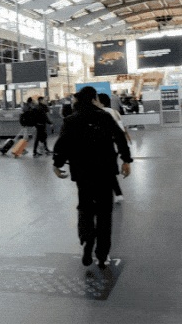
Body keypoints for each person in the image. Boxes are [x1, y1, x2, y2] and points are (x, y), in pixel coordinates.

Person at [52, 86, 132, 269]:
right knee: (104, 213)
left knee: (85, 208)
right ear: (94, 99)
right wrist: (126, 160)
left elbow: (63, 144)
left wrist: (57, 164)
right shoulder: (104, 117)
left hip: (83, 172)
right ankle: (102, 255)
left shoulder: (71, 120)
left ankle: (87, 241)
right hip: (105, 171)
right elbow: (120, 138)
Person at [97, 93, 131, 204]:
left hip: (105, 145)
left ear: (100, 102)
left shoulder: (101, 113)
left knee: (106, 171)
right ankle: (118, 193)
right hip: (116, 145)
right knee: (110, 171)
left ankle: (114, 194)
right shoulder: (115, 112)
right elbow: (121, 128)